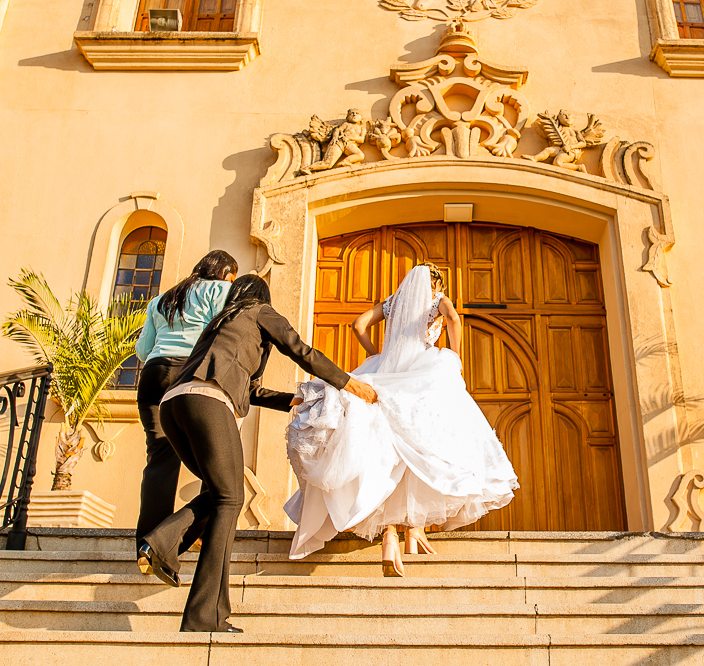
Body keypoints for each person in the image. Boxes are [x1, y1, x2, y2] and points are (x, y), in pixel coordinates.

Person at [137, 274, 378, 633]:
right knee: (229, 498)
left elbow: (250, 389)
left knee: (221, 495)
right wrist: (349, 382)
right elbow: (300, 350)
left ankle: (168, 550)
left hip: (174, 405)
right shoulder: (258, 310)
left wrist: (292, 400)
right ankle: (195, 599)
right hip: (207, 402)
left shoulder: (219, 325)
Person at [285, 263, 518, 576]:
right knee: (424, 446)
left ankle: (397, 534)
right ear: (437, 284)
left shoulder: (392, 302)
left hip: (388, 371)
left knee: (389, 450)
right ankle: (412, 531)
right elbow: (453, 318)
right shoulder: (438, 300)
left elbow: (358, 324)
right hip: (422, 371)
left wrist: (374, 354)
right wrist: (456, 354)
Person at [133, 250, 237, 565]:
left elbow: (142, 350)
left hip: (153, 374)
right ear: (226, 273)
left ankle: (146, 546)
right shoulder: (222, 291)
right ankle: (192, 536)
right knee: (212, 456)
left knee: (159, 460)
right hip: (191, 374)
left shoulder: (163, 299)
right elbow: (226, 334)